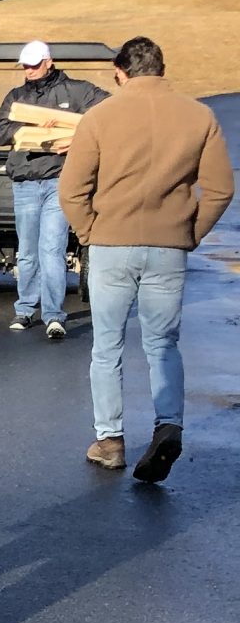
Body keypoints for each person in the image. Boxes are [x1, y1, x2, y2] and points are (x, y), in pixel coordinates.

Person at [57, 35, 233, 482]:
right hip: (169, 245)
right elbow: (220, 190)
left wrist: (89, 231)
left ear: (120, 73)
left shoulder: (99, 117)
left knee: (107, 347)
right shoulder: (199, 116)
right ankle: (168, 423)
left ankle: (110, 440)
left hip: (111, 243)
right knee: (163, 344)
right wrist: (190, 233)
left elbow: (72, 190)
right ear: (161, 69)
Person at [0, 37, 104, 339]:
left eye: (34, 65)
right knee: (28, 250)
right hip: (25, 180)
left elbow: (107, 111)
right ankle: (25, 309)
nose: (29, 70)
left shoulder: (78, 91)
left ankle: (54, 315)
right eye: (25, 66)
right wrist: (32, 129)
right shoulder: (16, 96)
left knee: (51, 248)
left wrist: (74, 131)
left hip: (59, 179)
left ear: (49, 62)